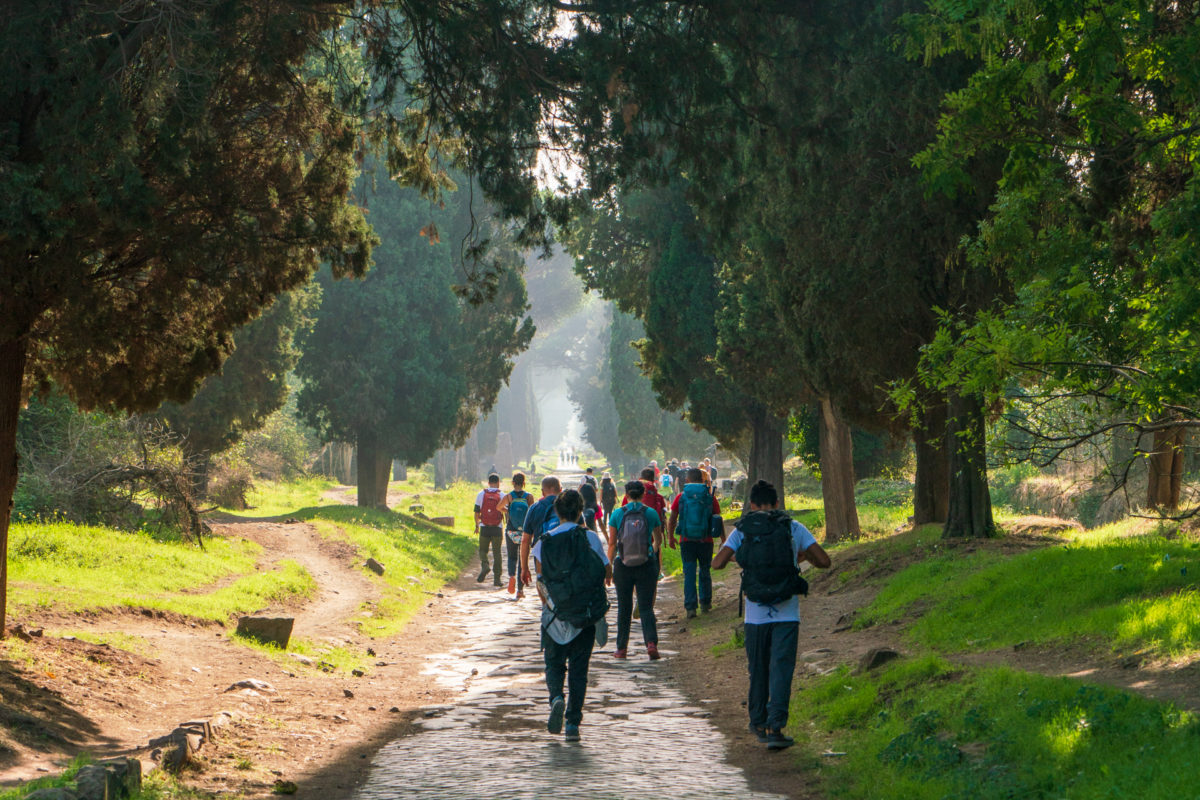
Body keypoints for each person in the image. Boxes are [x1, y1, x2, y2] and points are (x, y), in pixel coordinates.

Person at [712, 480, 831, 751]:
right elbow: (824, 561)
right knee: (781, 669)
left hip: (755, 616)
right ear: (777, 503)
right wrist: (796, 559)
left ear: (752, 505)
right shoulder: (793, 527)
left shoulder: (742, 531)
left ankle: (758, 723)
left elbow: (717, 563)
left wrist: (741, 558)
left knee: (758, 669)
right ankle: (776, 728)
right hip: (787, 613)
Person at [530, 490, 611, 742]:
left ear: (556, 511)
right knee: (579, 670)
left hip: (554, 615)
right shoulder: (589, 538)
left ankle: (556, 698)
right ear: (580, 512)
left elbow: (540, 581)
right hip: (584, 615)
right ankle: (573, 724)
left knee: (553, 665)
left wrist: (552, 607)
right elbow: (606, 572)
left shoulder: (543, 541)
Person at [606, 480, 663, 660]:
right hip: (646, 564)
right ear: (643, 493)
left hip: (623, 565)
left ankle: (621, 648)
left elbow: (612, 544)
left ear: (626, 495)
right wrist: (651, 553)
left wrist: (609, 568)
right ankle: (651, 643)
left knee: (624, 607)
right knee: (646, 607)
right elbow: (658, 540)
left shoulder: (617, 514)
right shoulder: (651, 513)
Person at [668, 468, 723, 618]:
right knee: (705, 570)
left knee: (689, 572)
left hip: (686, 541)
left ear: (687, 480)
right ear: (703, 480)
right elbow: (718, 520)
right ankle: (705, 603)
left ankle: (691, 607)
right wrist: (724, 540)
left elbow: (672, 519)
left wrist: (670, 537)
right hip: (706, 541)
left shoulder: (681, 497)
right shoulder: (709, 497)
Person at [519, 476, 563, 585]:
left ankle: (545, 602)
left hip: (542, 556)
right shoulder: (570, 506)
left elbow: (525, 540)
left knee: (543, 584)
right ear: (560, 490)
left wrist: (524, 568)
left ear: (543, 492)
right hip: (565, 555)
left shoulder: (534, 508)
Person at [498, 472, 535, 599]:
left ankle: (511, 576)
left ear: (513, 483)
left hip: (511, 531)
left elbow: (498, 507)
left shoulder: (509, 496)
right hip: (525, 532)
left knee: (512, 557)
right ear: (524, 483)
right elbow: (532, 513)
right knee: (522, 561)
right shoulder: (529, 497)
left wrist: (507, 510)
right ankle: (520, 590)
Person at [474, 473, 505, 587]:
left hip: (484, 527)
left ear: (488, 483)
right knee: (497, 553)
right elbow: (506, 511)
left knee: (483, 550)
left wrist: (477, 525)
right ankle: (497, 579)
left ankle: (485, 565)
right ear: (498, 482)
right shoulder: (502, 495)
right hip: (497, 528)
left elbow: (477, 511)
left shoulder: (481, 494)